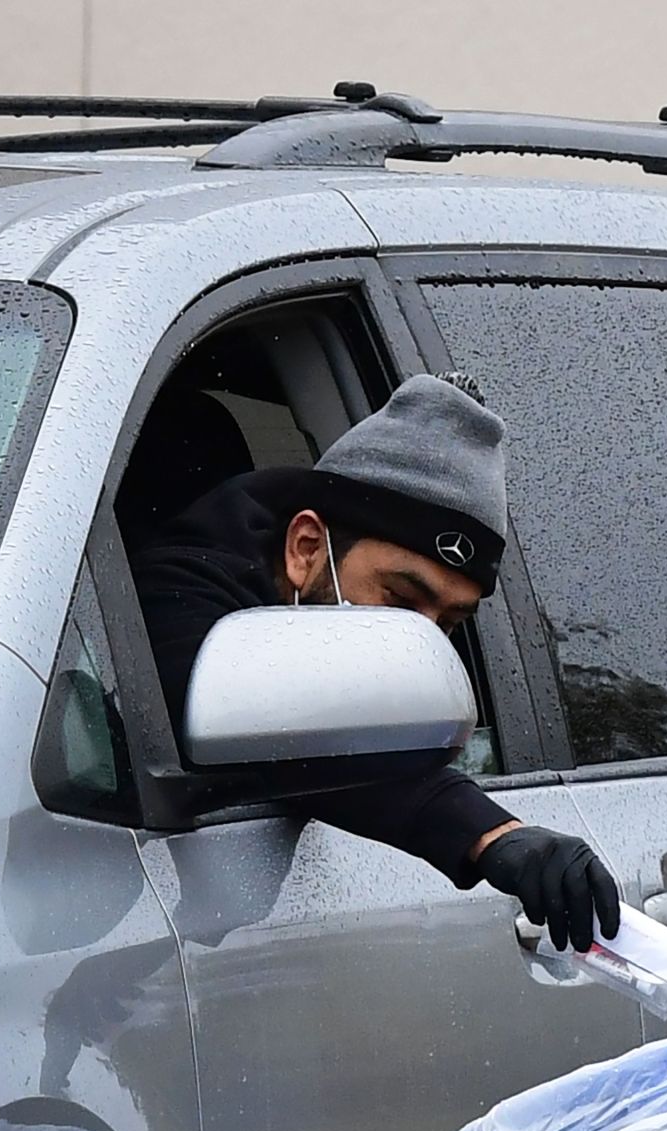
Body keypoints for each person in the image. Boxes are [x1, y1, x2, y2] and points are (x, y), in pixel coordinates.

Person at [131, 371, 621, 954]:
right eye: (399, 599)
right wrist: (488, 833)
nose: (420, 645)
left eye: (449, 624)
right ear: (306, 549)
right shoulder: (173, 599)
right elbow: (294, 730)